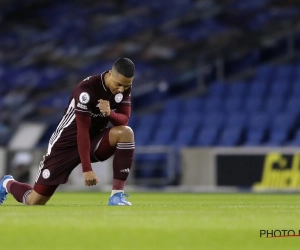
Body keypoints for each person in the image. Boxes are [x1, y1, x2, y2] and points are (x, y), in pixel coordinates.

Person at [0, 57, 135, 206]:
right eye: (119, 85)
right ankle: (8, 183)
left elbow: (123, 120)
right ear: (110, 74)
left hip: (93, 140)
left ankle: (117, 196)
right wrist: (87, 169)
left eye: (126, 85)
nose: (121, 89)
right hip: (65, 144)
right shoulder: (87, 90)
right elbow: (82, 131)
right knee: (34, 201)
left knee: (125, 132)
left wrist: (110, 113)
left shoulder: (124, 88)